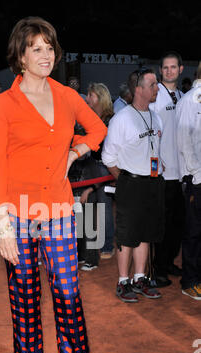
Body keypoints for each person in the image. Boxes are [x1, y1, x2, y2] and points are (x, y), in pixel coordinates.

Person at [0, 16, 107, 353]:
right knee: (25, 304)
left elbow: (97, 129)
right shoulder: (2, 104)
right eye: (36, 48)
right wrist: (3, 223)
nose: (45, 54)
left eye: (49, 47)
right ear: (19, 56)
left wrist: (74, 153)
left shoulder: (65, 95)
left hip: (57, 212)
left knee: (69, 299)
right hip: (18, 216)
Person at [102, 68, 165, 303]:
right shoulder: (121, 119)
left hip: (152, 183)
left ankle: (141, 278)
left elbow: (154, 149)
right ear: (138, 89)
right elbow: (108, 158)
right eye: (152, 85)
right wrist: (126, 179)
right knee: (128, 235)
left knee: (146, 233)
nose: (157, 88)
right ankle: (123, 281)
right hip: (131, 183)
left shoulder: (155, 116)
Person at [149, 51, 185, 287]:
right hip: (161, 174)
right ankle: (157, 268)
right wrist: (154, 171)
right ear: (161, 70)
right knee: (160, 226)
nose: (169, 71)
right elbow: (150, 136)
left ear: (181, 70)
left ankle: (169, 261)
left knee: (178, 225)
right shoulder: (155, 95)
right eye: (165, 68)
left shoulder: (183, 96)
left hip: (181, 174)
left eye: (173, 67)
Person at [78, 82, 115, 271]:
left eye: (91, 95)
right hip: (92, 165)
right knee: (93, 206)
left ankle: (107, 244)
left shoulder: (110, 119)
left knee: (104, 206)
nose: (87, 99)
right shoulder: (91, 117)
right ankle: (91, 247)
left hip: (106, 166)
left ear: (100, 97)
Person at [176, 62, 201, 300]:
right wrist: (196, 173)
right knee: (193, 232)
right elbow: (184, 142)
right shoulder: (191, 100)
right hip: (196, 179)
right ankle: (190, 281)